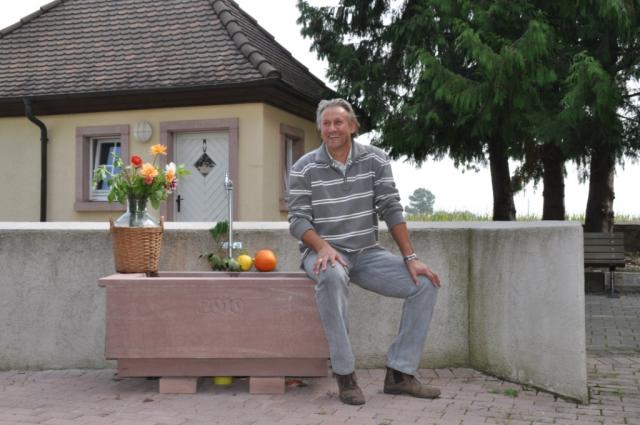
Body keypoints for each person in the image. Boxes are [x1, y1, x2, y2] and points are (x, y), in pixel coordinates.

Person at [287, 98, 441, 405]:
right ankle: (345, 375)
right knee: (332, 276)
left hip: (366, 254)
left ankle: (400, 374)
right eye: (326, 123)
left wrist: (411, 258)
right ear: (320, 128)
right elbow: (298, 220)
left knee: (424, 284)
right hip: (323, 253)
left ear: (353, 126)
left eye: (338, 122)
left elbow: (391, 207)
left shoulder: (375, 159)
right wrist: (323, 247)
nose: (332, 129)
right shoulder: (304, 167)